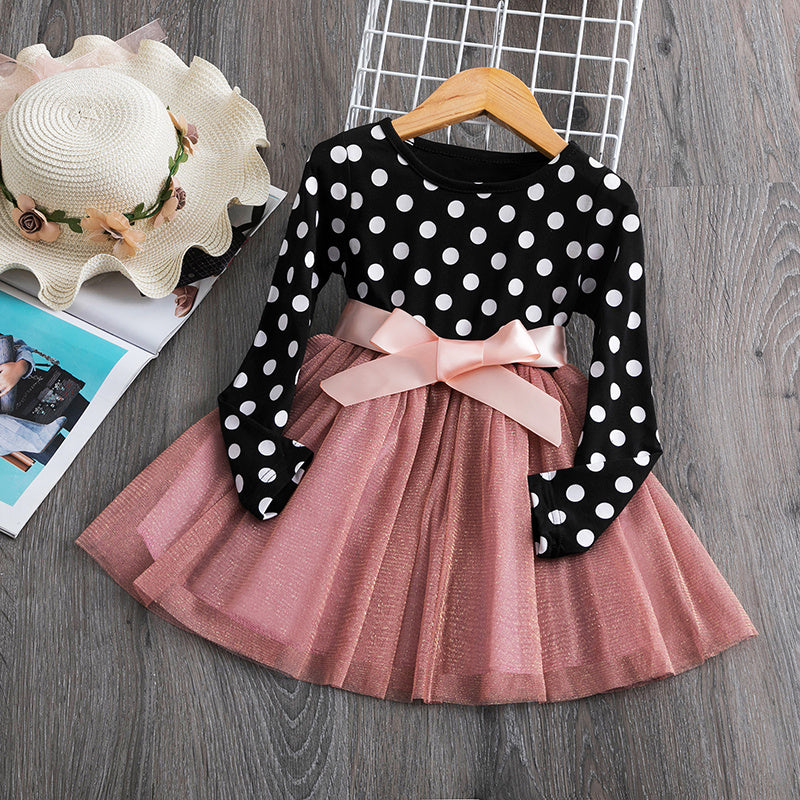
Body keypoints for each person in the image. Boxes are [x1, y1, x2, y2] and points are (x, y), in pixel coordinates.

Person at [0, 334, 65, 457]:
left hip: (42, 389)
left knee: (93, 420)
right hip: (20, 425)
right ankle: (35, 438)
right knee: (67, 458)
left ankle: (35, 438)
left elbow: (18, 346)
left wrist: (20, 367)